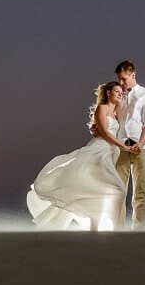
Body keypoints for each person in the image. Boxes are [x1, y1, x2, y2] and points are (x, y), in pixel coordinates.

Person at [26, 81, 137, 231]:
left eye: (121, 92)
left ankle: (96, 228)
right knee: (118, 191)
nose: (120, 94)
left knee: (98, 190)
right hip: (98, 153)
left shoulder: (117, 112)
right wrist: (123, 146)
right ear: (108, 93)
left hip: (110, 154)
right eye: (116, 91)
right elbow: (104, 133)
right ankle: (116, 229)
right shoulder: (102, 108)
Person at [110, 60, 145, 228]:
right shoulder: (118, 94)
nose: (121, 83)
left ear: (133, 75)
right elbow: (110, 116)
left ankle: (138, 229)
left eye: (124, 79)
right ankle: (118, 228)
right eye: (119, 79)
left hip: (140, 147)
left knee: (140, 191)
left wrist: (141, 144)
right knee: (119, 190)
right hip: (121, 146)